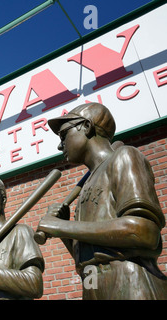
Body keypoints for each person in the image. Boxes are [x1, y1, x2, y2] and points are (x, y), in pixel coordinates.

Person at [36, 102, 167, 299]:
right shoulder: (87, 185)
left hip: (129, 282)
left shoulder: (124, 156)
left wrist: (60, 227)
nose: (60, 145)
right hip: (92, 283)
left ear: (87, 127)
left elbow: (144, 232)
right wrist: (65, 231)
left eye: (64, 135)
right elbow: (89, 257)